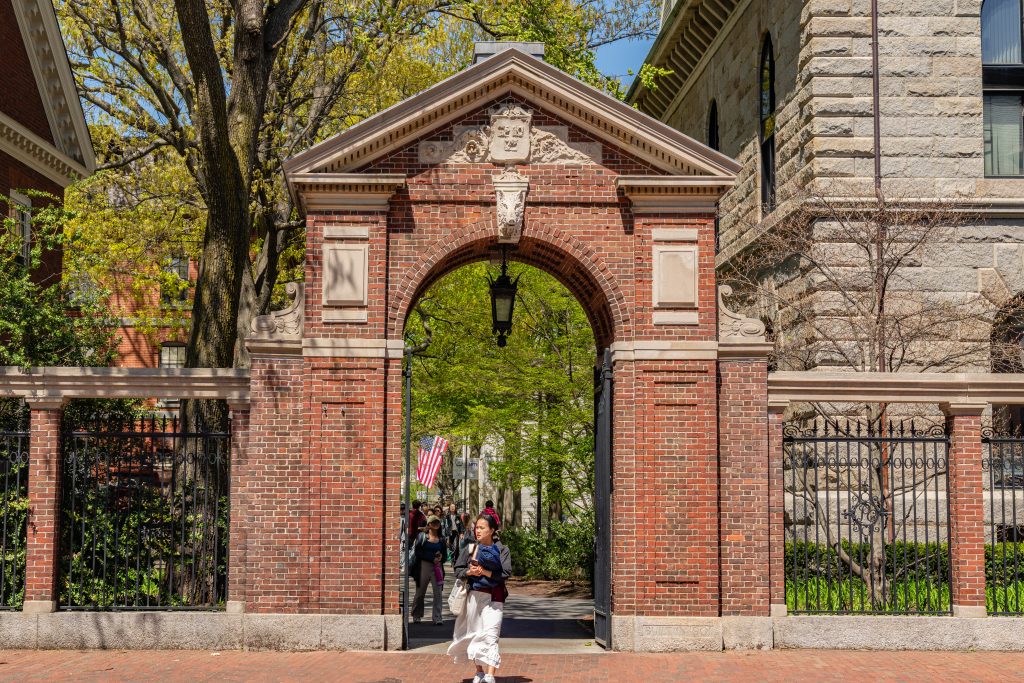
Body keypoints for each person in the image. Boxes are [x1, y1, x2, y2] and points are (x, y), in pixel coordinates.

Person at [448, 513, 511, 683]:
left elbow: (505, 573)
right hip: (474, 597)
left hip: (495, 597)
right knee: (474, 634)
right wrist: (469, 572)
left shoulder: (502, 550)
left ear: (492, 530)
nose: (478, 531)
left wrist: (484, 572)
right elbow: (458, 570)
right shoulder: (470, 548)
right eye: (477, 527)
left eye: (482, 528)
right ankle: (479, 671)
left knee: (492, 634)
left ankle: (490, 675)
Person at [411, 515, 447, 625]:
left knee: (438, 593)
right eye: (433, 522)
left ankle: (437, 617)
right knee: (420, 592)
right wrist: (431, 558)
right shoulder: (422, 537)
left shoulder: (442, 539)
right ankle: (416, 615)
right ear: (429, 524)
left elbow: (445, 555)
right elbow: (418, 552)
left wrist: (441, 558)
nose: (436, 524)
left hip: (437, 567)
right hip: (424, 566)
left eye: (437, 522)